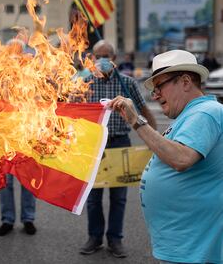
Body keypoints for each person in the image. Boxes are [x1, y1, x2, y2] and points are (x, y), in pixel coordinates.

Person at [108, 49, 223, 264]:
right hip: (184, 244)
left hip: (193, 248)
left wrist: (136, 121)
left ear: (186, 81)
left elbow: (181, 159)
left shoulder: (205, 112)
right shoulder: (190, 114)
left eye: (159, 86)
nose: (155, 94)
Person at [80, 40, 157, 258]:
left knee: (119, 197)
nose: (103, 60)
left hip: (120, 142)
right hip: (93, 145)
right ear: (92, 59)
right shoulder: (84, 83)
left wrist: (155, 140)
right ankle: (94, 237)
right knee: (93, 197)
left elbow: (144, 111)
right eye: (98, 56)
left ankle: (115, 239)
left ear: (114, 59)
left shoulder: (127, 83)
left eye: (107, 56)